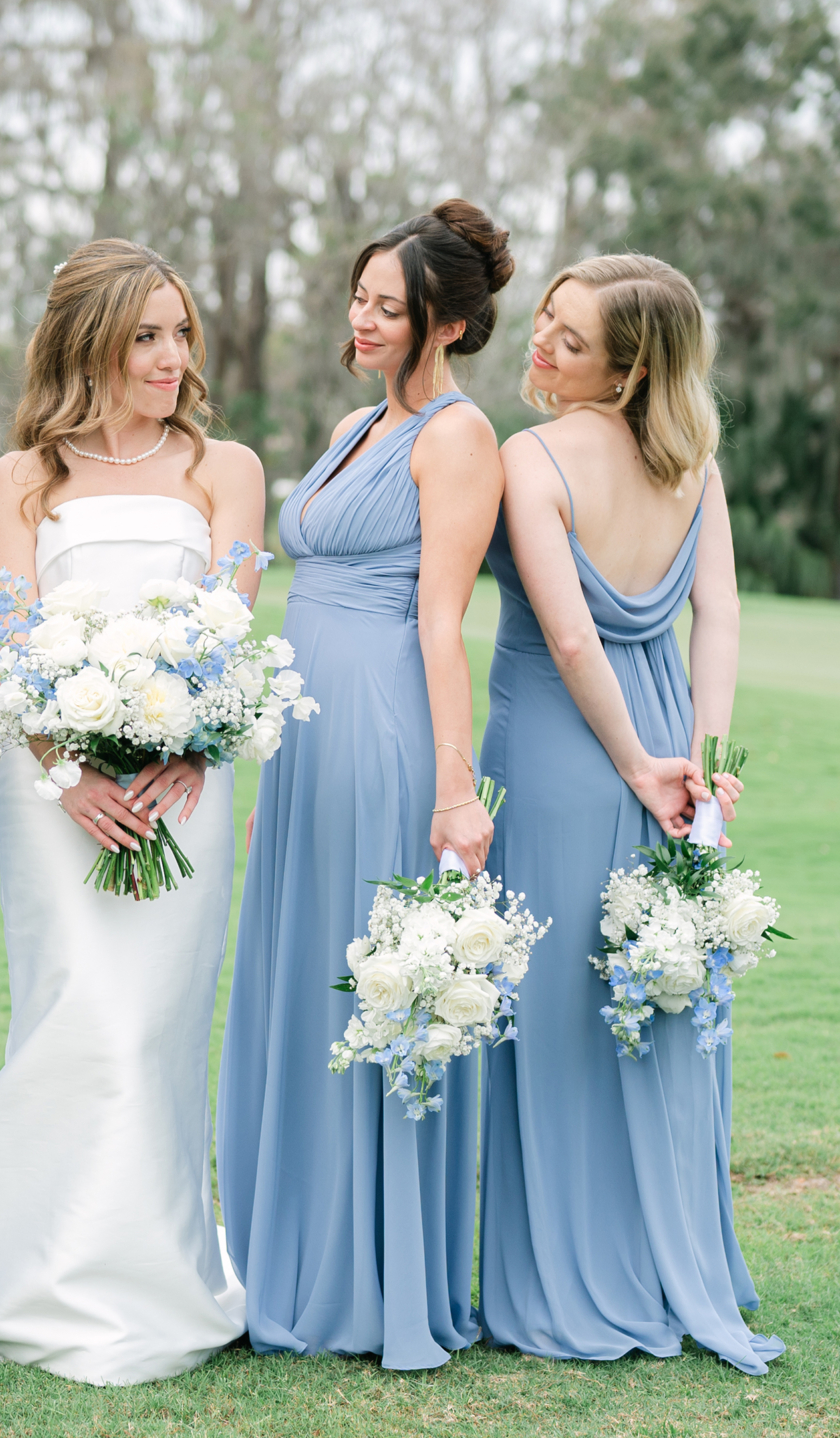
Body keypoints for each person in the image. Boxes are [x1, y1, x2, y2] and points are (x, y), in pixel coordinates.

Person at [0, 239, 264, 1385]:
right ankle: (25, 1264)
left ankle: (154, 1271)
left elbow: (231, 636)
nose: (172, 357)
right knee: (81, 1016)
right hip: (55, 793)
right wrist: (68, 773)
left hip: (185, 793)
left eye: (181, 333)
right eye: (146, 336)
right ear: (90, 343)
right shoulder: (22, 479)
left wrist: (198, 748)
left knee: (156, 1029)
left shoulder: (226, 468)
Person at [216, 199, 510, 1370]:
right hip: (305, 730)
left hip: (386, 721)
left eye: (392, 307)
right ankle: (287, 1253)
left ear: (446, 321)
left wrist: (455, 788)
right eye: (361, 297)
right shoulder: (352, 423)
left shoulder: (458, 437)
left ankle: (368, 1276)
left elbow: (443, 625)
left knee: (365, 983)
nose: (366, 318)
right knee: (300, 976)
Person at [474, 253, 779, 1375]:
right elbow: (721, 617)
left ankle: (563, 1281)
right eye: (543, 322)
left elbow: (567, 637)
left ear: (628, 364)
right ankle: (663, 1259)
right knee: (651, 1000)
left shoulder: (531, 455)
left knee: (558, 1012)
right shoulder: (691, 461)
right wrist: (697, 757)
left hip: (567, 746)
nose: (540, 347)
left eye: (569, 338)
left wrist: (651, 766)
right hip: (657, 733)